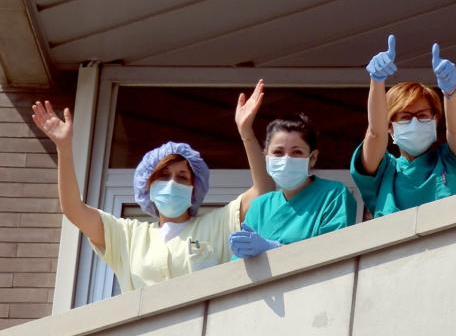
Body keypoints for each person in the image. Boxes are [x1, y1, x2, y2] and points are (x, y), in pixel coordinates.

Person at [30, 80, 275, 291]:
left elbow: (263, 192)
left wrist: (246, 133)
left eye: (182, 177)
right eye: (164, 175)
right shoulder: (128, 236)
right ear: (148, 185)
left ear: (194, 189)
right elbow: (74, 209)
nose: (172, 183)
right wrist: (63, 148)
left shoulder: (217, 225)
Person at [348, 34, 456, 218]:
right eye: (405, 117)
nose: (414, 122)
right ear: (390, 127)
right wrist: (376, 81)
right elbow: (376, 134)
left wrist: (451, 92)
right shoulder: (384, 171)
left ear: (435, 119)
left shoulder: (453, 161)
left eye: (422, 115)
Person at [229, 114, 357, 258]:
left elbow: (332, 255)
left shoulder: (333, 196)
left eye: (297, 152)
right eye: (278, 152)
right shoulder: (260, 206)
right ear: (266, 157)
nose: (286, 159)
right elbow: (238, 267)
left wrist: (275, 249)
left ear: (313, 158)